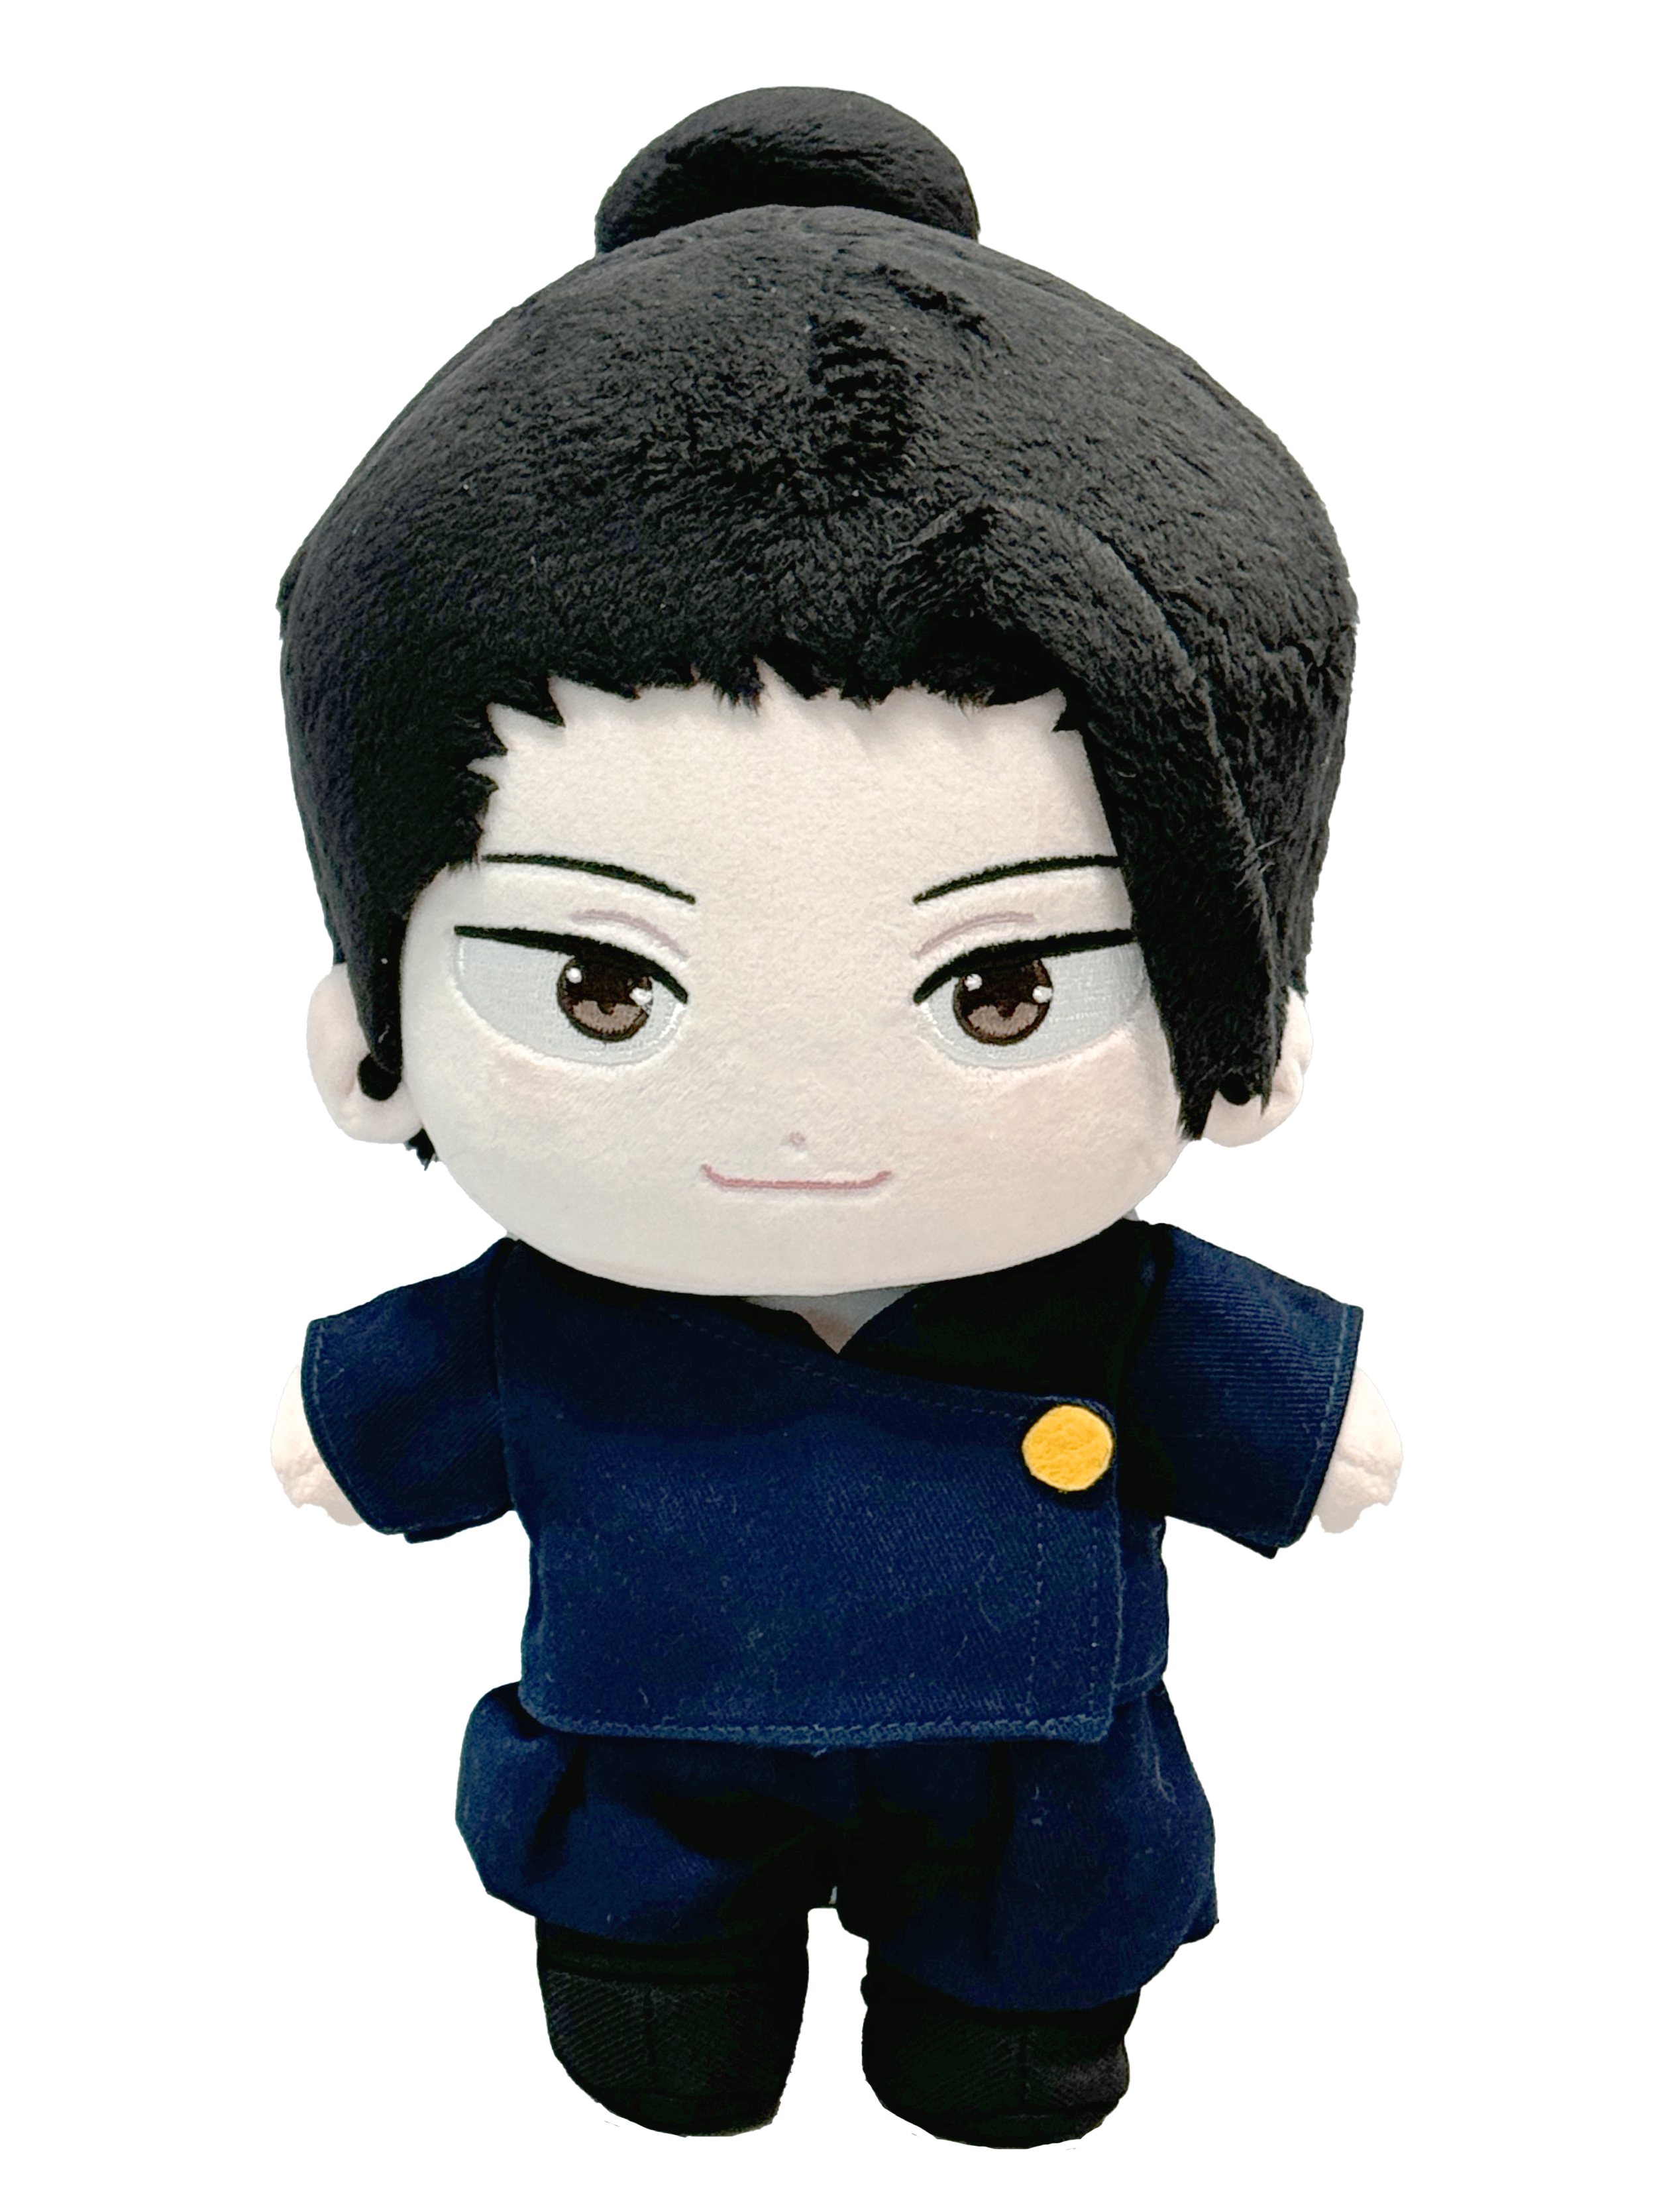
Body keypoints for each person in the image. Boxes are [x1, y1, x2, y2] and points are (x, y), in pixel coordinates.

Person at [274, 86, 1400, 2148]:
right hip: (653, 1776)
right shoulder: (542, 1325)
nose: (802, 1124)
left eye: (1004, 988)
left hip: (1027, 1792)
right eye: (604, 987)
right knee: (657, 2044)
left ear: (1239, 1015)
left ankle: (989, 2016)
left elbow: (1326, 1446)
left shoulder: (1118, 1313)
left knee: (1018, 2057)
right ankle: (665, 1979)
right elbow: (336, 1448)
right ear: (376, 1028)